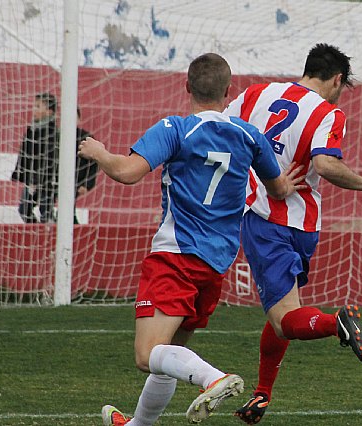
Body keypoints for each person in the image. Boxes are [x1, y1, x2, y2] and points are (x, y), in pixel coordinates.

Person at [78, 53, 305, 426]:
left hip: (176, 256)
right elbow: (278, 188)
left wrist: (99, 152)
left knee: (146, 353)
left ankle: (212, 378)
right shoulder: (250, 135)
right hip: (216, 263)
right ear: (228, 91)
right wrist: (288, 182)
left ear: (187, 86)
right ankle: (137, 424)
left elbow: (128, 173)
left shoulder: (176, 129)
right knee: (169, 357)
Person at [223, 43, 362, 424]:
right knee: (282, 316)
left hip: (266, 221)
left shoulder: (258, 93)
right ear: (337, 79)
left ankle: (336, 324)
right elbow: (323, 164)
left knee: (286, 318)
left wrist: (251, 172)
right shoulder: (329, 113)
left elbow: (220, 129)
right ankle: (262, 395)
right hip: (303, 226)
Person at [11, 92, 59, 223]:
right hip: (32, 179)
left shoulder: (52, 132)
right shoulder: (32, 129)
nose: (34, 109)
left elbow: (48, 159)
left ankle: (54, 236)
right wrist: (20, 173)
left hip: (47, 180)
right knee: (24, 210)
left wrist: (38, 179)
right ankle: (39, 233)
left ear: (49, 112)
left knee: (46, 211)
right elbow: (25, 154)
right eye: (34, 106)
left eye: (38, 106)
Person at [73, 107, 98, 224]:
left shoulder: (85, 138)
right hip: (51, 180)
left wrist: (86, 184)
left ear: (79, 119)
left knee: (67, 211)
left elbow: (93, 164)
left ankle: (73, 235)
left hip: (75, 182)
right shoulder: (52, 136)